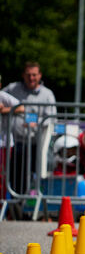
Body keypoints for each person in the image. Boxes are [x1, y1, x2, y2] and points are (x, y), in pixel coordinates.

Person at [2, 61, 57, 195]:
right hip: (16, 142)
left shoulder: (47, 94)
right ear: (23, 75)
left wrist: (37, 123)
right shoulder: (12, 89)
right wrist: (7, 110)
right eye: (28, 75)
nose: (31, 78)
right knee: (16, 177)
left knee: (36, 176)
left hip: (36, 143)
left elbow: (52, 118)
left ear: (40, 75)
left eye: (34, 75)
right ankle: (17, 206)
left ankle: (33, 208)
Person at [1, 76, 24, 198]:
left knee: (2, 175)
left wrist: (4, 110)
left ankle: (2, 203)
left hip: (3, 143)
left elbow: (21, 107)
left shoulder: (2, 96)